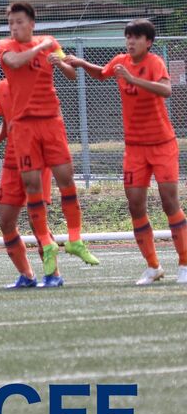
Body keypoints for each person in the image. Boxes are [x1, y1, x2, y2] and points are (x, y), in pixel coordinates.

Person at [65, 20, 187, 284]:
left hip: (162, 145)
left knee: (169, 202)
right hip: (134, 148)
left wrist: (133, 79)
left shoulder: (154, 63)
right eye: (128, 37)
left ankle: (185, 264)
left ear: (149, 42)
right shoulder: (121, 60)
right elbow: (103, 73)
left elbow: (166, 90)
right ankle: (153, 267)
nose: (130, 42)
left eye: (136, 37)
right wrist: (82, 64)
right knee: (135, 205)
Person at [0, 2, 99, 284]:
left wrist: (61, 61)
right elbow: (14, 62)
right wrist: (41, 48)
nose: (14, 27)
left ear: (32, 23)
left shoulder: (50, 43)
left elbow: (68, 72)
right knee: (31, 189)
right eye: (11, 23)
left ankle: (75, 239)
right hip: (24, 128)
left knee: (66, 179)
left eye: (19, 22)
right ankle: (46, 245)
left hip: (51, 120)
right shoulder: (6, 45)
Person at [0, 79, 54, 288]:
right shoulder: (0, 87)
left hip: (36, 159)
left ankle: (53, 275)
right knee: (6, 222)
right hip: (12, 161)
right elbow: (7, 122)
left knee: (37, 223)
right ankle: (27, 275)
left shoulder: (38, 84)